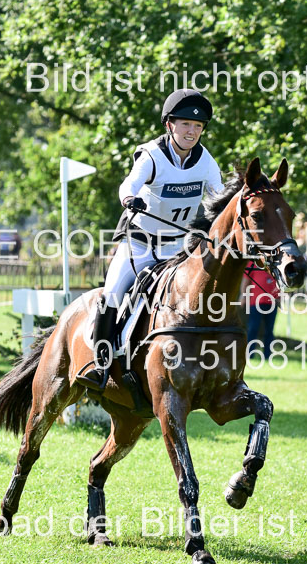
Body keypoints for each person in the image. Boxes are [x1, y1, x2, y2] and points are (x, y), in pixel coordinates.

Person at [78, 89, 224, 391]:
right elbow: (129, 183)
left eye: (198, 127)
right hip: (141, 245)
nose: (192, 131)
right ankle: (100, 362)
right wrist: (130, 198)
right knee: (113, 294)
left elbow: (217, 197)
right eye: (185, 124)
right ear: (169, 125)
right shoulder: (151, 155)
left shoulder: (206, 161)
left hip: (178, 249)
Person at [241, 261, 281, 357]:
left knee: (269, 330)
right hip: (256, 302)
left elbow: (280, 282)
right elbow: (246, 280)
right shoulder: (253, 263)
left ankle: (267, 355)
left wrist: (279, 297)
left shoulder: (276, 263)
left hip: (272, 302)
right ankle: (250, 354)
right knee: (253, 328)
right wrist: (243, 296)